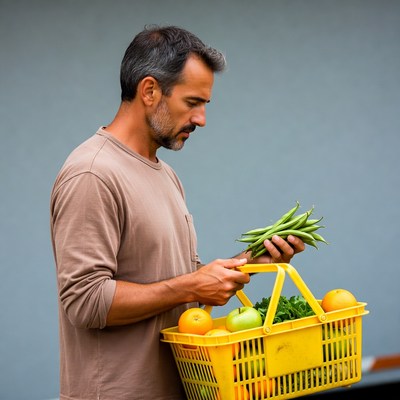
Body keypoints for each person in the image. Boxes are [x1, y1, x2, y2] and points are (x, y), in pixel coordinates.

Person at [50, 24, 305, 400]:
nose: (201, 119)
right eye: (192, 103)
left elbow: (178, 291)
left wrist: (247, 262)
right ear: (150, 91)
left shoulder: (164, 173)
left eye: (205, 104)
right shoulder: (93, 174)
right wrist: (189, 285)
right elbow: (85, 302)